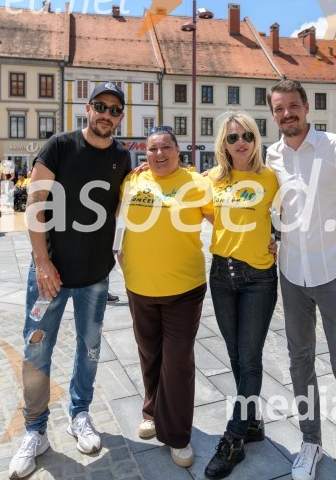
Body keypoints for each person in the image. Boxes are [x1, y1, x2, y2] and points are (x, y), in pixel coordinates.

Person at [8, 82, 131, 480]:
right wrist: (42, 261)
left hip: (95, 274)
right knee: (36, 349)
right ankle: (35, 430)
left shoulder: (122, 157)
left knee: (89, 347)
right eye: (100, 106)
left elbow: (125, 204)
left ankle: (80, 415)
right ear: (88, 108)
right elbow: (35, 204)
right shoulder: (59, 146)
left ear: (120, 117)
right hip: (51, 274)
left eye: (114, 109)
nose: (106, 114)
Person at [265, 80, 336, 480]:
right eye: (279, 109)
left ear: (306, 107)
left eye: (293, 106)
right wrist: (272, 238)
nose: (287, 114)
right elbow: (270, 205)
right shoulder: (272, 155)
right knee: (300, 364)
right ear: (273, 114)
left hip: (335, 272)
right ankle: (310, 443)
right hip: (292, 274)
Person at [117, 125, 212, 469]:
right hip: (139, 285)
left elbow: (226, 222)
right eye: (152, 149)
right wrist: (117, 251)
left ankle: (177, 434)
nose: (159, 154)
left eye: (165, 148)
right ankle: (151, 411)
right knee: (149, 353)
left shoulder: (197, 184)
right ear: (145, 154)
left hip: (184, 289)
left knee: (178, 360)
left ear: (178, 150)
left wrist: (269, 240)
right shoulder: (133, 181)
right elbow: (119, 221)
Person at [203, 112, 279, 479]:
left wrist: (276, 238)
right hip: (221, 275)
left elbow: (295, 213)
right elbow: (202, 210)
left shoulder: (270, 178)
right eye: (232, 137)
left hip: (258, 278)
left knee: (249, 359)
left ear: (256, 139)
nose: (241, 142)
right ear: (224, 144)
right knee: (234, 355)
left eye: (247, 135)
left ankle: (233, 439)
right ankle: (252, 422)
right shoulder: (211, 180)